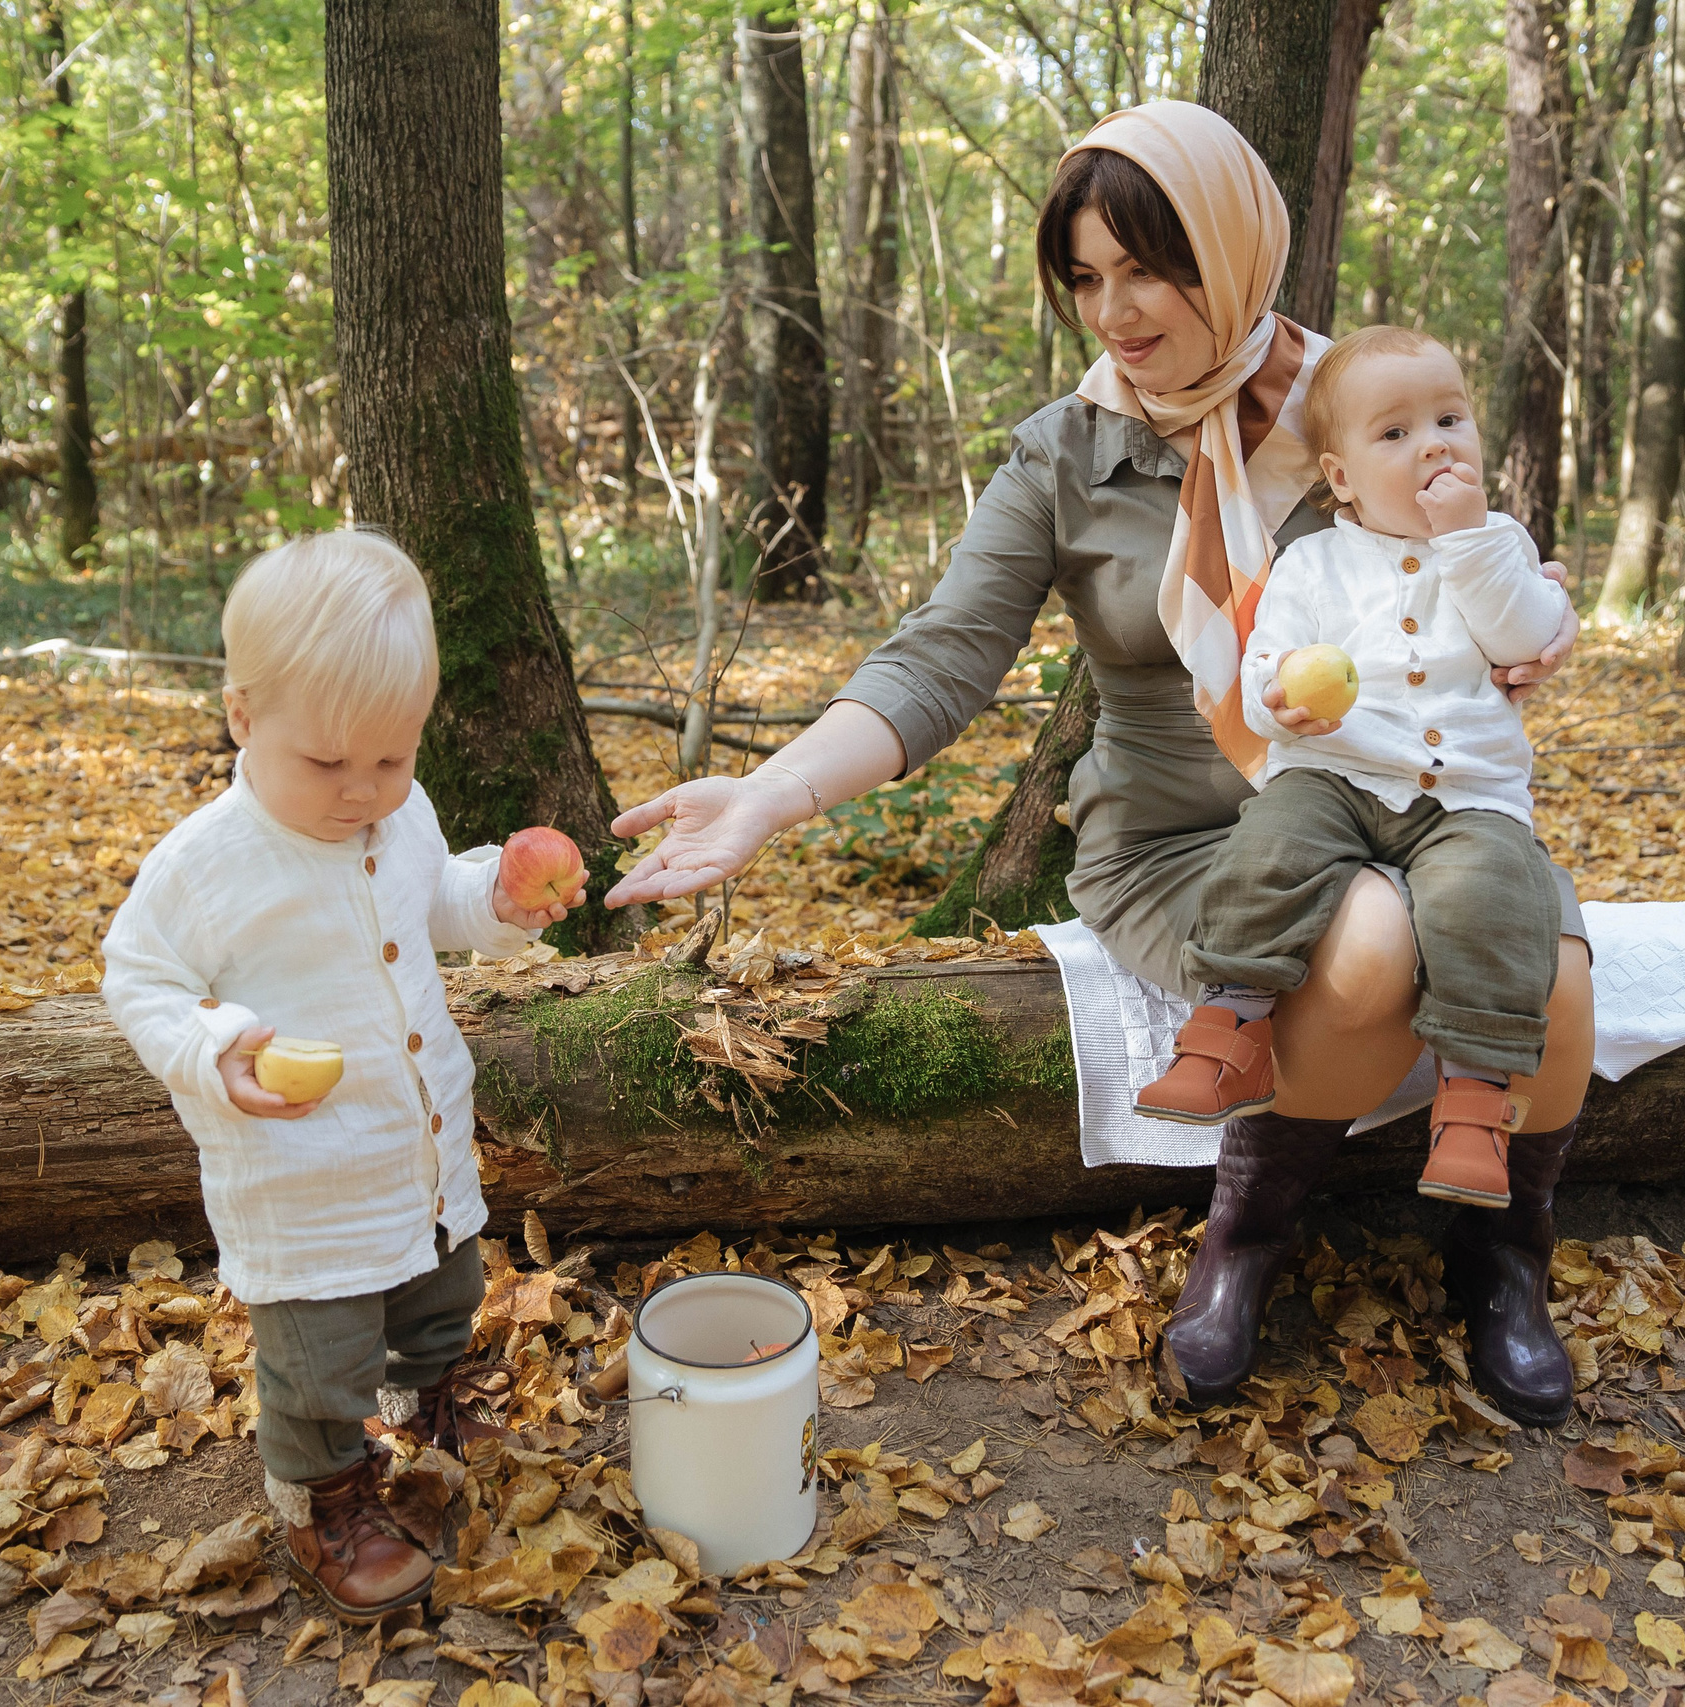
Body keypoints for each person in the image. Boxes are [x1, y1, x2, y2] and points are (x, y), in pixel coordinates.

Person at [603, 102, 1591, 1428]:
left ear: (1233, 249)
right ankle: (1246, 1233)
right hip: (1190, 835)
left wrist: (1531, 601)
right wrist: (772, 789)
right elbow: (940, 657)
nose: (1114, 312)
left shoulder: (1358, 404)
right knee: (1365, 946)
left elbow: (1482, 550)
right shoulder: (1067, 452)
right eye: (1085, 277)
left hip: (1424, 796)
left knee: (1563, 987)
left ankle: (1503, 1265)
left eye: (1148, 268)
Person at [101, 531, 587, 1622]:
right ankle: (320, 1491)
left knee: (442, 1296)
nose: (363, 791)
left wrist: (498, 904)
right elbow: (136, 979)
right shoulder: (207, 865)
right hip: (302, 1176)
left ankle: (425, 1401)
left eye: (392, 760)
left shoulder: (398, 813)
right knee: (319, 1360)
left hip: (414, 1154)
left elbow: (432, 902)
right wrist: (210, 1044)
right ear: (241, 717)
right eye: (328, 764)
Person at [1131, 325, 1570, 1219]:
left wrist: (1469, 538)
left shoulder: (1498, 545)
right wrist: (1280, 704)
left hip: (1464, 794)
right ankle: (1231, 1025)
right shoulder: (1313, 561)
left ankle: (1477, 1101)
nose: (1434, 445)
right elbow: (1265, 669)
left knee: (1491, 896)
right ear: (1341, 478)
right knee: (1268, 847)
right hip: (1332, 773)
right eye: (1396, 433)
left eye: (1450, 419)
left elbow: (1527, 637)